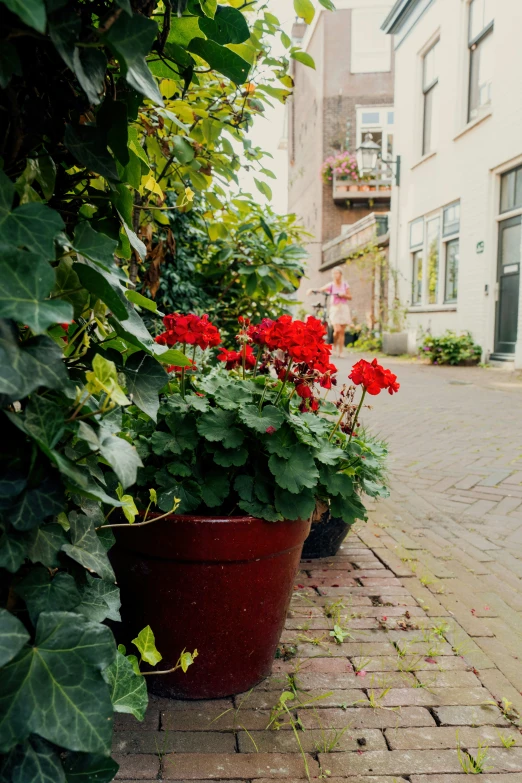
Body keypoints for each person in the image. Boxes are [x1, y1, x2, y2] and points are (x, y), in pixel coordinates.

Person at [307, 268, 352, 358]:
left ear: (341, 274)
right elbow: (321, 289)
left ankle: (341, 351)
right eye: (334, 274)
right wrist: (312, 290)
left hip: (343, 308)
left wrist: (343, 295)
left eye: (337, 273)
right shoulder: (331, 285)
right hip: (334, 308)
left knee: (342, 331)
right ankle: (334, 344)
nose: (336, 275)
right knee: (337, 330)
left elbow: (350, 297)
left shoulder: (345, 285)